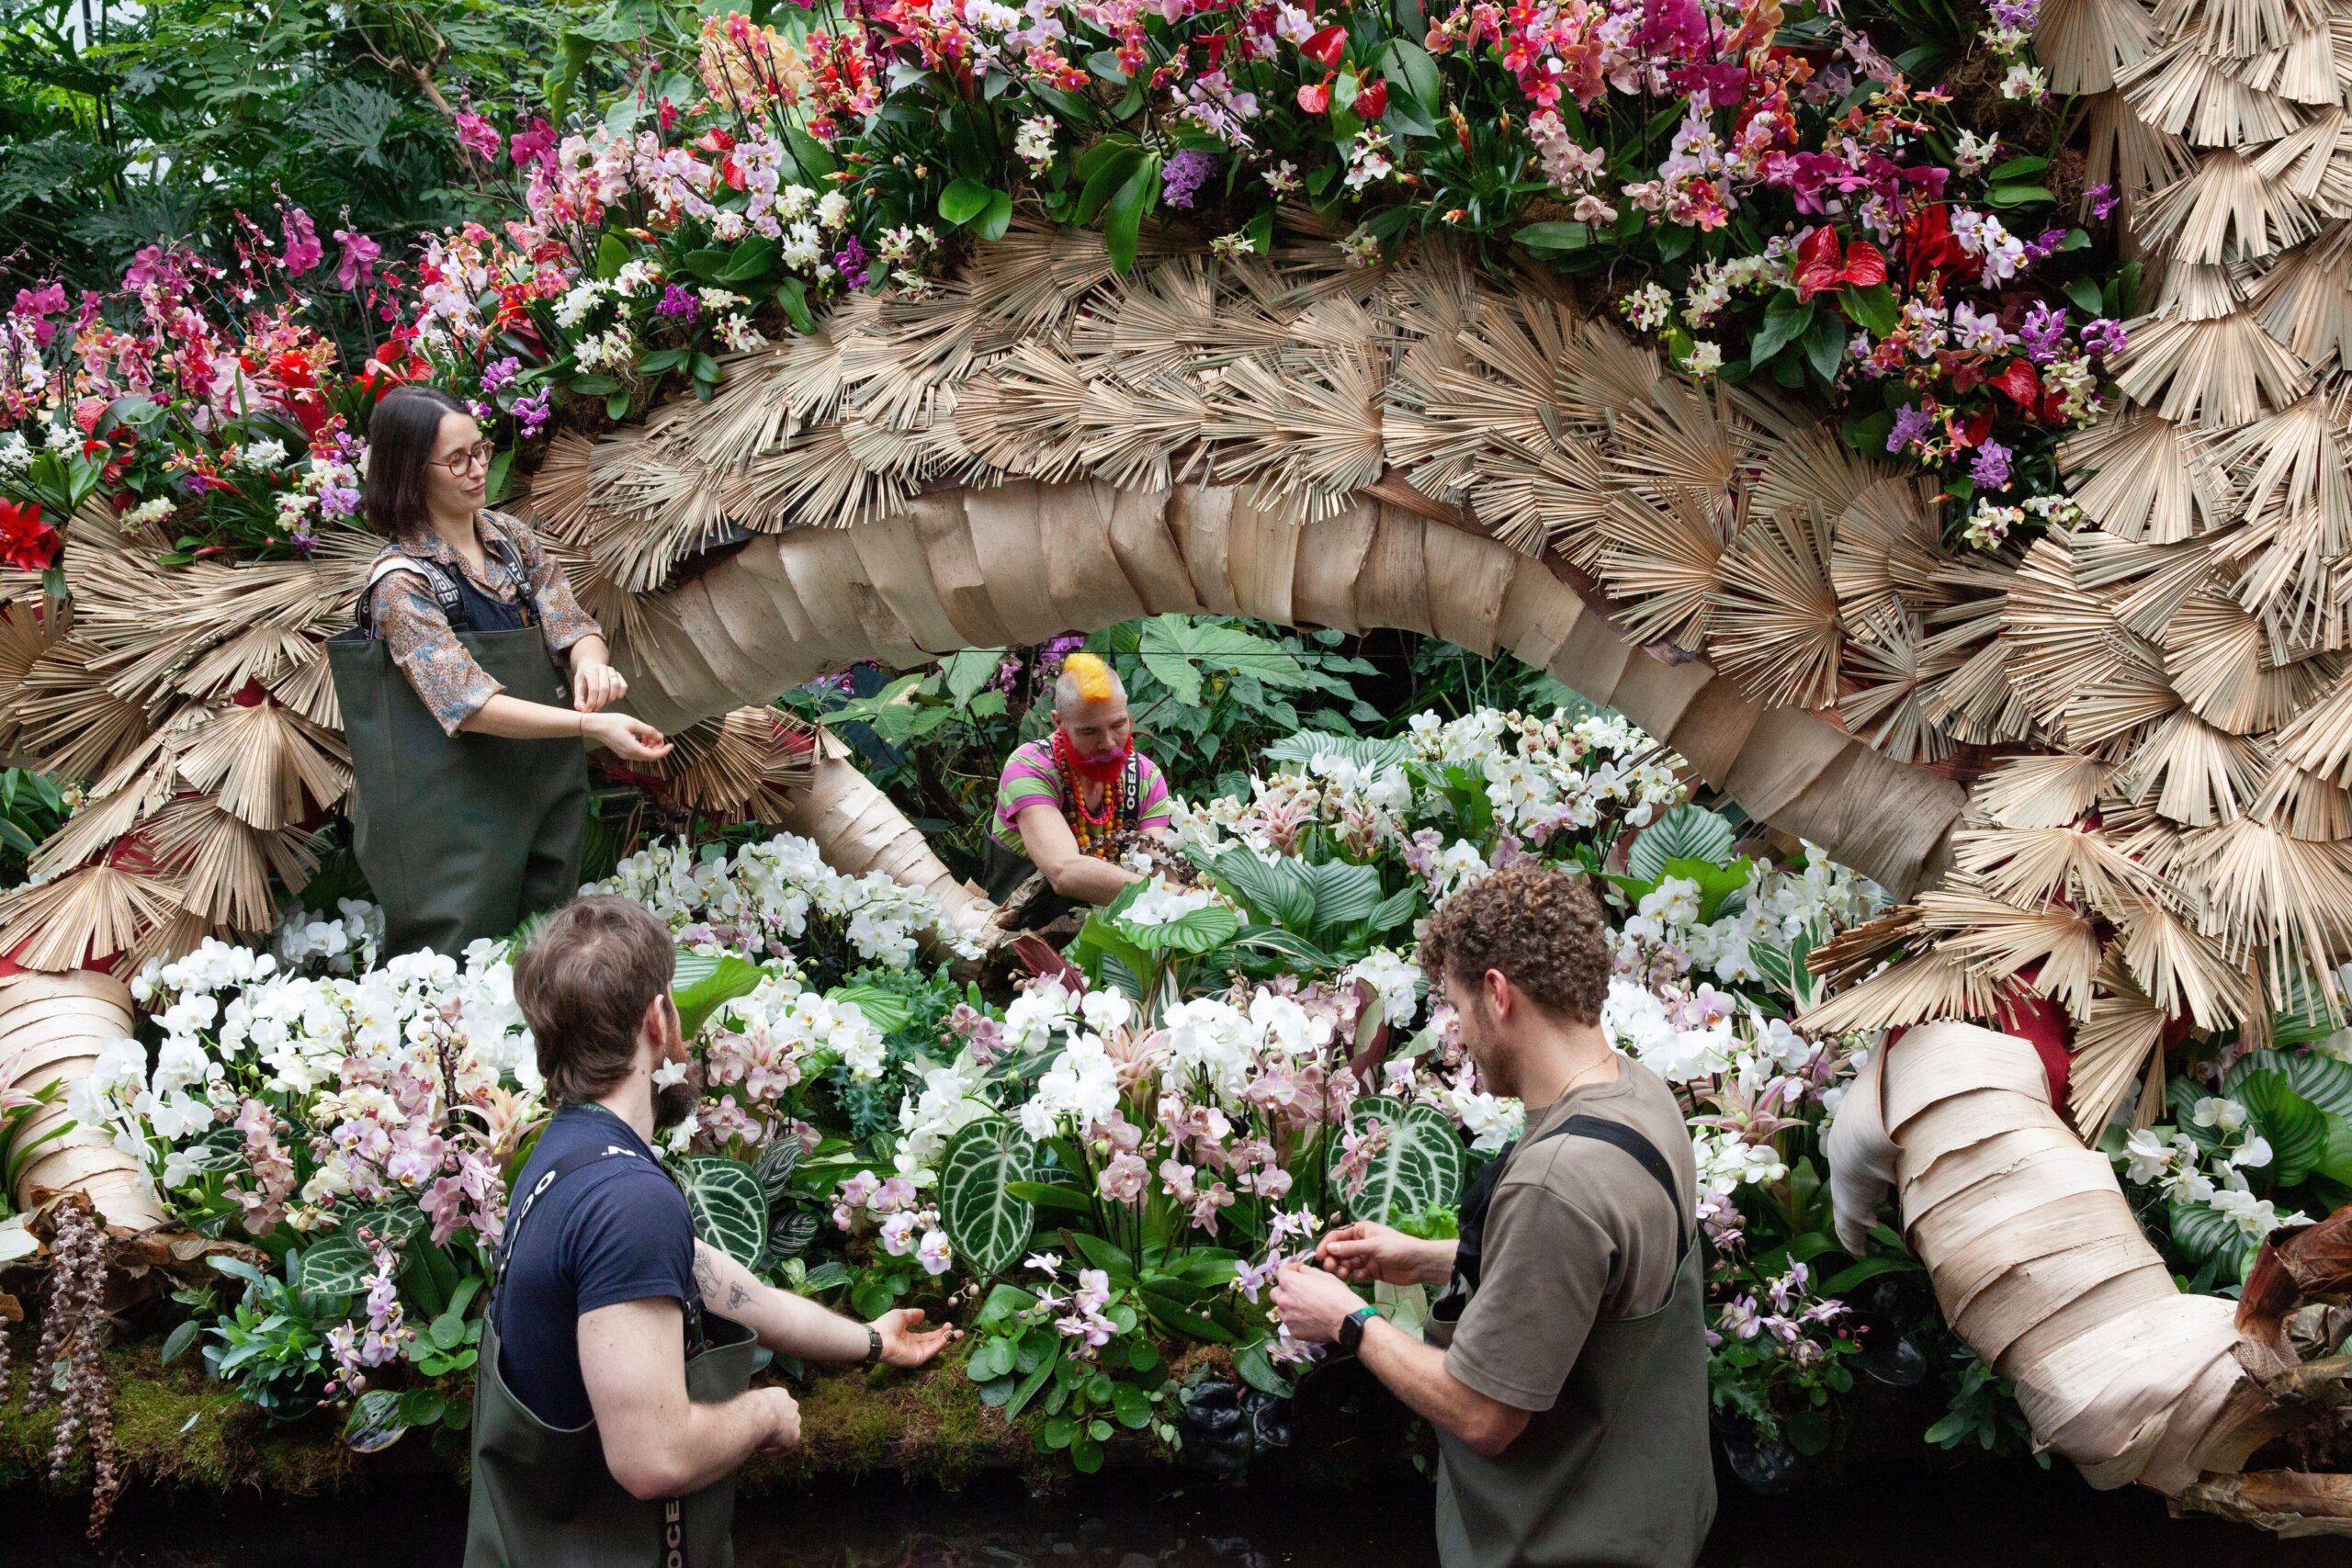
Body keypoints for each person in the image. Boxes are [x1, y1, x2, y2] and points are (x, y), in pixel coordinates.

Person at [467, 894, 956, 1567]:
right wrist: (764, 1413)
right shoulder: (626, 1202)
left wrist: (872, 1340)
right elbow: (652, 1458)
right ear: (655, 1020)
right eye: (674, 1009)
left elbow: (721, 1283)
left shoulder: (564, 1162)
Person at [1272, 861, 1715, 1568]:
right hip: (1655, 1523)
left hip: (1567, 1542)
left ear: (1498, 994)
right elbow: (1594, 1279)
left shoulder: (1557, 1182)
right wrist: (1426, 1256)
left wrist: (1348, 1320)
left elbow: (1484, 1414)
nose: (1457, 1035)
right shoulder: (1640, 1094)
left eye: (1456, 1007)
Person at [326, 385, 673, 958]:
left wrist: (592, 667)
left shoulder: (511, 540)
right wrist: (592, 727)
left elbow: (572, 623)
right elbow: (469, 704)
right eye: (456, 459)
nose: (476, 470)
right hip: (451, 818)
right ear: (411, 472)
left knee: (551, 954)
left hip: (542, 785)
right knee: (457, 962)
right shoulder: (402, 583)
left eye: (480, 450)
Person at [983, 652, 1173, 910]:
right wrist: (1174, 896)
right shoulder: (1029, 767)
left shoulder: (1145, 778)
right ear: (1059, 722)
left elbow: (1158, 867)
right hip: (1016, 939)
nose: (1108, 742)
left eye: (1118, 725)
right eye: (1089, 731)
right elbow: (1064, 872)